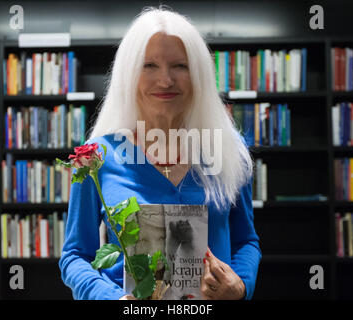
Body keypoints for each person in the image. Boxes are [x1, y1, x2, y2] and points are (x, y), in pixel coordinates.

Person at [59, 6, 261, 300]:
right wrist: (108, 297)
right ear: (129, 74)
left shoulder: (226, 150)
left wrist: (241, 286)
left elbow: (246, 240)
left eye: (180, 66)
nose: (165, 80)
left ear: (199, 75)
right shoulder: (96, 157)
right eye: (149, 65)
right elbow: (75, 255)